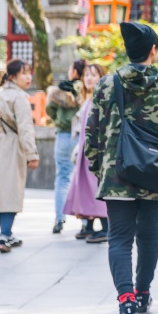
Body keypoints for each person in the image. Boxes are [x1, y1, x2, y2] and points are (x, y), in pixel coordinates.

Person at [85, 22, 158, 314]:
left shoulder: (105, 84)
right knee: (149, 237)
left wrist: (98, 168)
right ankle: (142, 293)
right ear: (153, 51)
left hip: (116, 176)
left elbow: (92, 134)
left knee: (119, 238)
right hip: (154, 176)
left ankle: (125, 302)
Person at [0, 60, 40, 253]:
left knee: (2, 191)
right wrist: (32, 154)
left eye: (29, 73)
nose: (28, 77)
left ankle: (6, 233)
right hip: (13, 146)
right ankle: (5, 235)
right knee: (11, 191)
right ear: (13, 76)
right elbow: (25, 128)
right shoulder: (19, 97)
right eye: (24, 73)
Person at [63, 63, 108, 243]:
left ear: (101, 78)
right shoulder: (89, 98)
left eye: (93, 75)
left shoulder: (102, 99)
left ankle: (106, 227)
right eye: (87, 75)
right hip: (85, 149)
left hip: (96, 151)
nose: (89, 78)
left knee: (95, 187)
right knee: (83, 186)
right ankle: (88, 224)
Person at [46, 59, 86, 234]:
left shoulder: (60, 90)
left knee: (63, 177)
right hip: (82, 135)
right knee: (83, 178)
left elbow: (49, 108)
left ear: (75, 72)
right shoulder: (86, 90)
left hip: (63, 134)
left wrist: (59, 121)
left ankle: (59, 219)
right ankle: (86, 221)